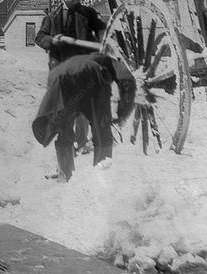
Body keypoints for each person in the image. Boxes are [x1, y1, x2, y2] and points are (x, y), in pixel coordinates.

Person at [32, 53, 136, 182]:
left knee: (64, 131)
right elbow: (128, 84)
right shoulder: (114, 65)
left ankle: (65, 175)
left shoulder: (77, 62)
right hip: (92, 83)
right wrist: (122, 115)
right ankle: (102, 175)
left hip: (64, 84)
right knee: (102, 131)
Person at [35, 0, 106, 152]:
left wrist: (101, 46)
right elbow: (39, 37)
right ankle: (67, 143)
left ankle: (82, 143)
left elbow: (102, 29)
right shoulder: (53, 17)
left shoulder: (88, 13)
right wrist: (52, 40)